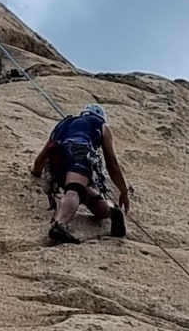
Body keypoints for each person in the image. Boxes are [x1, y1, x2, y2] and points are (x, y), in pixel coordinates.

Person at [32, 103, 130, 245]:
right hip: (79, 151)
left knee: (85, 194)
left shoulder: (63, 123)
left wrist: (36, 170)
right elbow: (112, 162)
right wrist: (124, 191)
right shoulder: (101, 125)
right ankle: (60, 225)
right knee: (75, 189)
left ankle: (110, 210)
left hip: (57, 159)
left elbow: (47, 149)